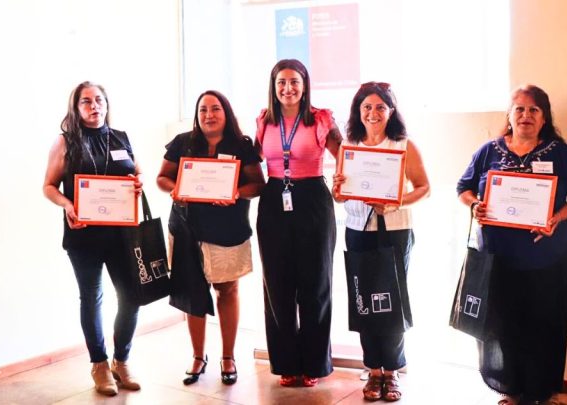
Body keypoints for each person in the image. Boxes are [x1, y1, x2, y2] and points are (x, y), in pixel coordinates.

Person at [457, 84, 567, 405]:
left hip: (546, 258)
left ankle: (541, 393)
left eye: (534, 110)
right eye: (519, 109)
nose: (526, 115)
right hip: (497, 257)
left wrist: (556, 217)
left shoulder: (561, 153)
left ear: (544, 118)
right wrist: (474, 204)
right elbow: (464, 187)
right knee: (503, 325)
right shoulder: (488, 151)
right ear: (509, 114)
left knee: (542, 325)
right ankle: (512, 390)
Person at [156, 90, 265, 386]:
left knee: (227, 291)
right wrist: (175, 189)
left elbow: (258, 184)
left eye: (215, 109)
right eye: (203, 109)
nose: (209, 115)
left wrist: (236, 193)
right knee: (192, 293)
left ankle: (228, 356)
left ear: (226, 112)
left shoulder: (241, 146)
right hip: (186, 228)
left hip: (227, 230)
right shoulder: (183, 142)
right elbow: (162, 178)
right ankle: (197, 355)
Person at [43, 81, 143, 396]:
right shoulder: (65, 143)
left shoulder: (121, 138)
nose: (94, 105)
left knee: (131, 297)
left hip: (122, 235)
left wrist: (138, 184)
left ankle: (121, 360)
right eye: (86, 101)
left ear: (106, 103)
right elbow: (48, 186)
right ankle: (99, 364)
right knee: (92, 297)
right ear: (76, 107)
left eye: (99, 99)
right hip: (83, 235)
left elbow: (137, 172)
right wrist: (68, 205)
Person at [332, 82, 430, 402]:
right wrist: (337, 189)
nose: (373, 113)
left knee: (392, 302)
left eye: (379, 107)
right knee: (364, 302)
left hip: (395, 230)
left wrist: (396, 201)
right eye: (366, 108)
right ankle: (373, 370)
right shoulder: (349, 147)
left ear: (390, 111)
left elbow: (423, 187)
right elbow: (340, 194)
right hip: (358, 230)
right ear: (358, 112)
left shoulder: (403, 145)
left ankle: (392, 371)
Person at [254, 59, 343, 387]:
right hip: (274, 198)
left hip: (313, 200)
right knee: (277, 284)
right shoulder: (265, 121)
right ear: (273, 87)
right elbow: (252, 160)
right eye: (281, 82)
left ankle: (314, 365)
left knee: (315, 284)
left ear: (305, 85)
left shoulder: (321, 119)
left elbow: (344, 155)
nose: (288, 88)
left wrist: (349, 181)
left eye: (294, 82)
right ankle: (286, 363)